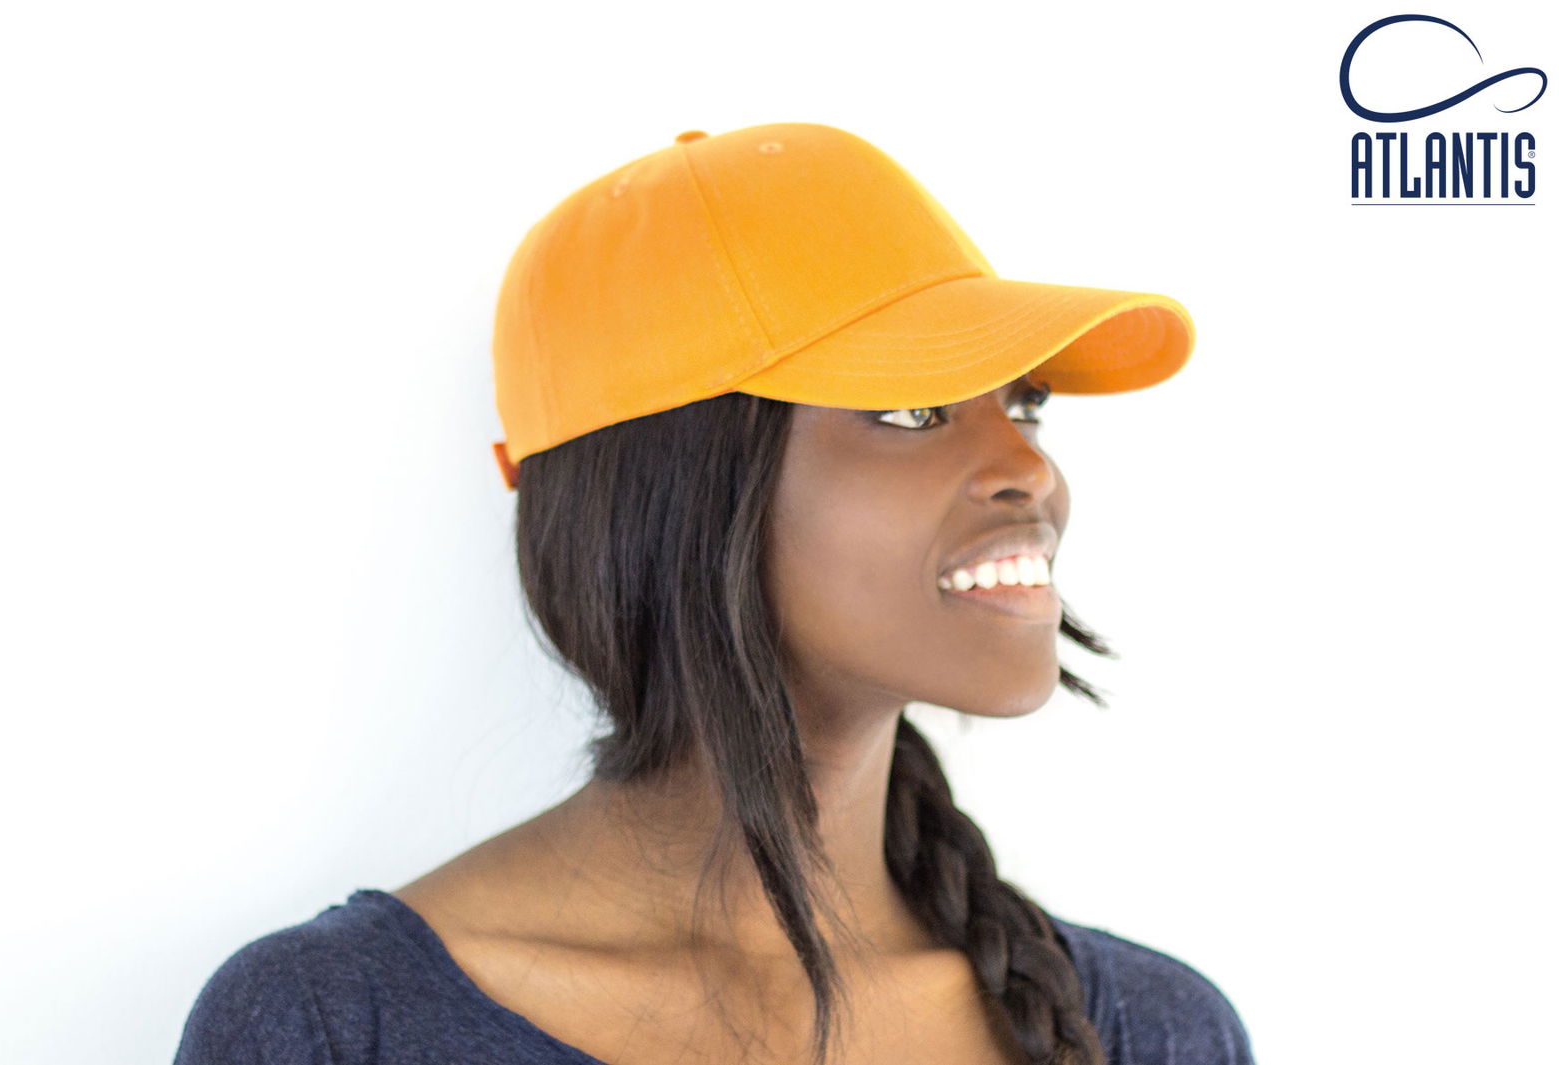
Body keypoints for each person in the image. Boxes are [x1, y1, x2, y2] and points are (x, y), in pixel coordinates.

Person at [173, 122, 1255, 1065]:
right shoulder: (335, 1025)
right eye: (913, 410)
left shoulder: (1156, 1030)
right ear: (675, 492)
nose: (1030, 469)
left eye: (1024, 406)